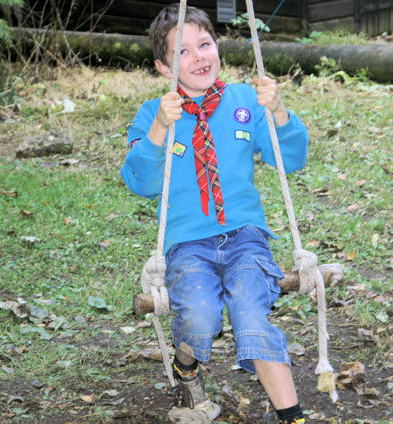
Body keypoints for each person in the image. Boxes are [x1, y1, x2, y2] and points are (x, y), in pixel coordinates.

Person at [121, 4, 308, 424]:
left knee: (251, 310)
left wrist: (279, 111)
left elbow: (290, 159)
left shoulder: (245, 100)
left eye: (204, 45)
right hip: (187, 242)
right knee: (199, 312)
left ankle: (292, 416)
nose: (198, 57)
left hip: (245, 236)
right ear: (162, 66)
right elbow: (140, 182)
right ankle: (186, 367)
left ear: (218, 46)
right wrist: (159, 129)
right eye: (182, 52)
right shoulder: (153, 114)